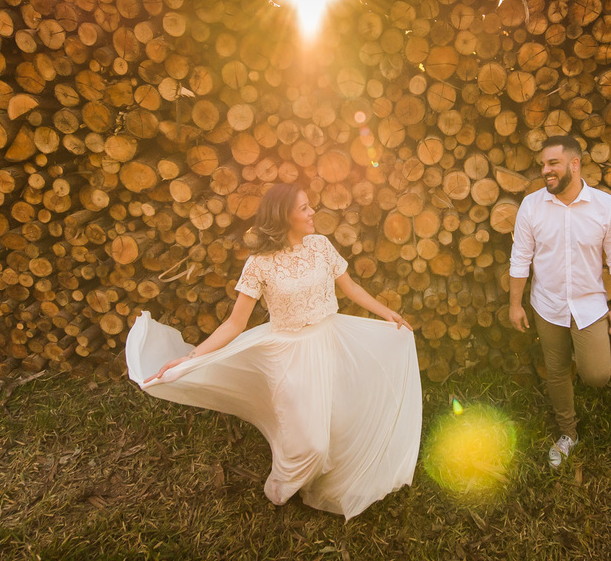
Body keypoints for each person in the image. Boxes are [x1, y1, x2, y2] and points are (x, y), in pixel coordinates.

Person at [124, 182, 422, 520]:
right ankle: (279, 488)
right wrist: (192, 358)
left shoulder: (321, 246)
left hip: (330, 340)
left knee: (335, 415)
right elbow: (235, 324)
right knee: (310, 442)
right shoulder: (259, 264)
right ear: (284, 215)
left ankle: (330, 470)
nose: (313, 213)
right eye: (304, 208)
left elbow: (350, 287)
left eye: (310, 206)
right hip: (288, 354)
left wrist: (386, 312)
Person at [508, 135, 611, 469]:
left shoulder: (606, 208)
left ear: (574, 164)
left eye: (553, 163)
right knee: (557, 370)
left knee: (596, 375)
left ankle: (585, 360)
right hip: (546, 305)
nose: (546, 171)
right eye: (543, 165)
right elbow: (520, 257)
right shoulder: (532, 206)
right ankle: (568, 431)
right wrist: (515, 304)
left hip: (589, 307)